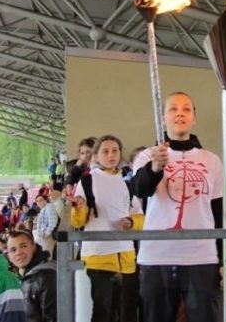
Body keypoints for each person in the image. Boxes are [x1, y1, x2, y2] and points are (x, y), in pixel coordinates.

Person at [132, 91, 223, 322]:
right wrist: (155, 168)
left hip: (201, 257)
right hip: (156, 257)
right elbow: (141, 191)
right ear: (163, 117)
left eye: (186, 109)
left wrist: (221, 259)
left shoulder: (211, 160)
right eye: (173, 109)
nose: (180, 113)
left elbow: (217, 212)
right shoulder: (147, 156)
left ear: (194, 118)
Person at [72, 134, 144, 322]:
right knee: (102, 312)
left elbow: (140, 216)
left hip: (127, 257)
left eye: (115, 150)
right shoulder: (87, 181)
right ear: (96, 156)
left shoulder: (128, 182)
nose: (111, 155)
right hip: (98, 258)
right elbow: (78, 222)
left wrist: (131, 222)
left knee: (128, 311)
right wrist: (79, 207)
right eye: (105, 151)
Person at [7, 231, 57, 322]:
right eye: (13, 250)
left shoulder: (46, 277)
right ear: (9, 256)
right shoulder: (22, 275)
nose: (18, 252)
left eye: (23, 246)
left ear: (33, 248)